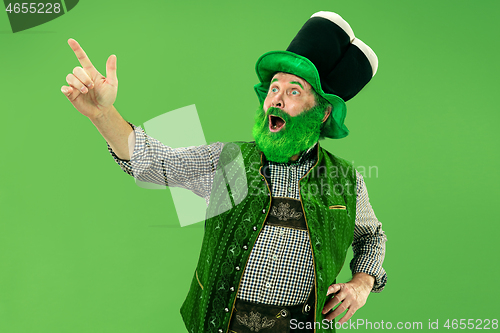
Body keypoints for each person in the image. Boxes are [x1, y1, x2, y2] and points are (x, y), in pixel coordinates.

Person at [61, 11, 387, 333]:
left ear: (322, 111)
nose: (276, 100)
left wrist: (362, 283)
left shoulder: (344, 180)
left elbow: (371, 237)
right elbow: (154, 163)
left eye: (293, 91)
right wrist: (103, 114)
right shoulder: (231, 162)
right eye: (274, 88)